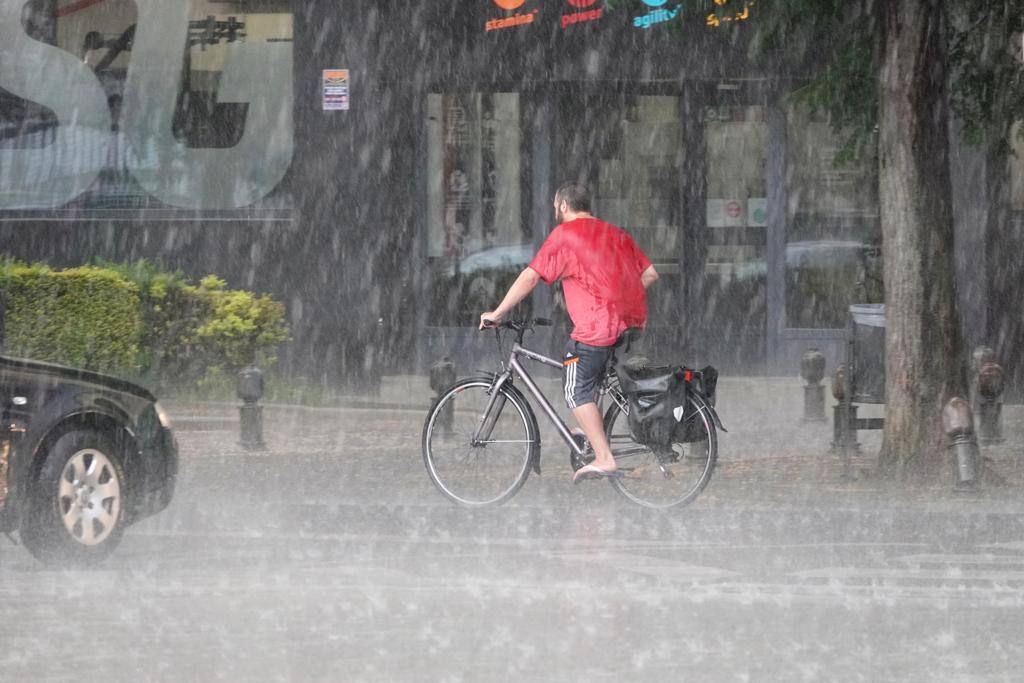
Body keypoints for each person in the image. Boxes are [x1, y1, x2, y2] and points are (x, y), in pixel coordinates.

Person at [479, 182, 659, 482]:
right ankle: (588, 432)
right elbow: (650, 274)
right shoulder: (614, 233)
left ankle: (603, 457)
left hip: (597, 328)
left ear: (563, 205)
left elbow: (531, 277)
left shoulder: (566, 236)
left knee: (574, 387)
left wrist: (498, 313)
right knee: (590, 378)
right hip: (629, 324)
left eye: (555, 206)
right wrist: (618, 295)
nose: (554, 211)